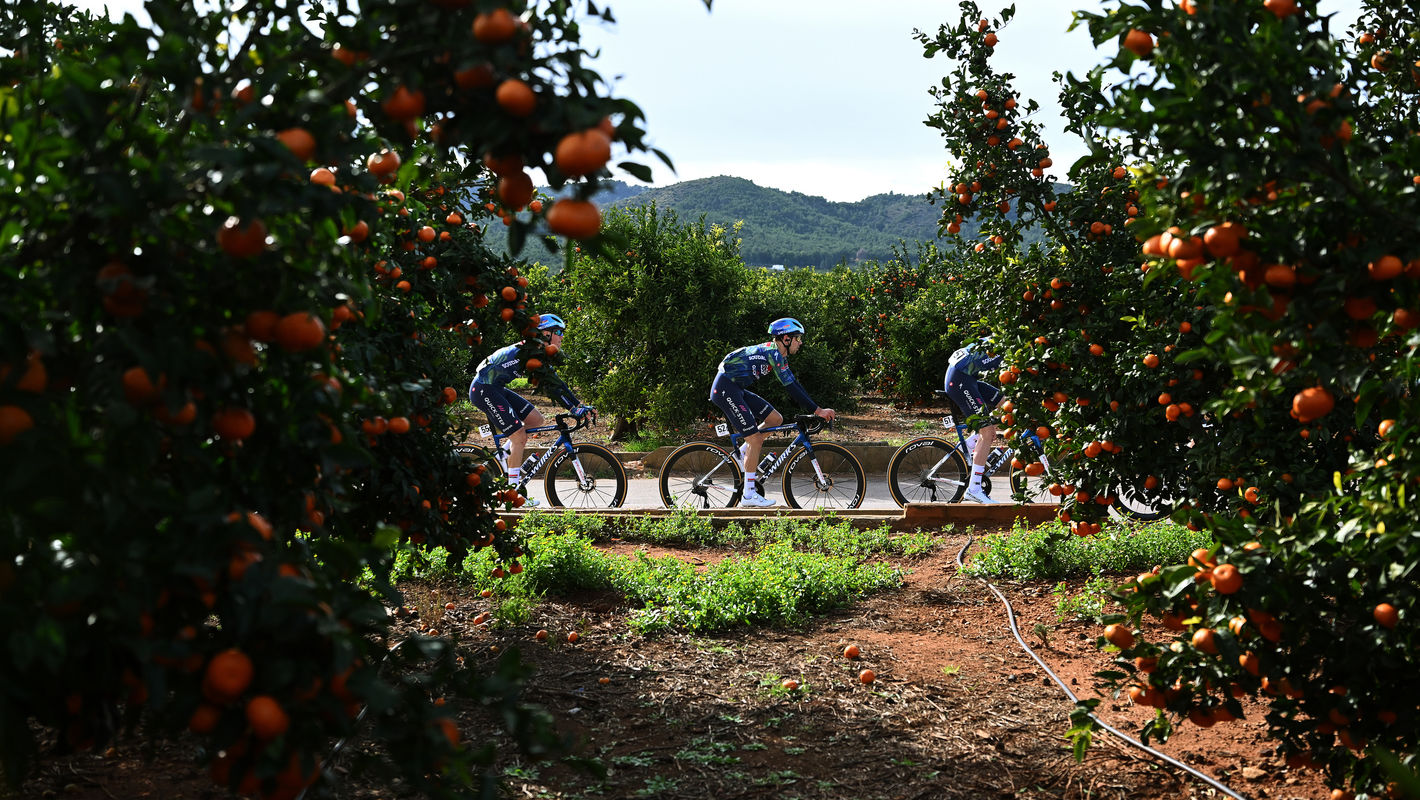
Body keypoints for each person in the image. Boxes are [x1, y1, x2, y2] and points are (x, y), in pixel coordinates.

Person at [710, 318, 836, 508]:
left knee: (775, 419)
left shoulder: (777, 354)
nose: (800, 342)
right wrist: (818, 410)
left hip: (736, 388)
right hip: (726, 388)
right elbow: (792, 388)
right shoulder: (773, 353)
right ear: (786, 338)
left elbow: (794, 383)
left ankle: (742, 452)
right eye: (797, 338)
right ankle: (749, 495)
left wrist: (816, 409)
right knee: (755, 439)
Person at [468, 314, 585, 498]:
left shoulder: (538, 352)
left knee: (536, 419)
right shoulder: (531, 352)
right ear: (546, 334)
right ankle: (513, 493)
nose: (562, 336)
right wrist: (574, 408)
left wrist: (578, 406)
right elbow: (550, 387)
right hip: (483, 389)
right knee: (519, 437)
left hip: (496, 387)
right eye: (559, 332)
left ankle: (504, 455)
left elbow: (557, 384)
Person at [944, 336, 1005, 504]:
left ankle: (973, 441)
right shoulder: (1004, 348)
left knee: (1006, 404)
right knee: (988, 433)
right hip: (959, 382)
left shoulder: (1000, 341)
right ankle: (974, 490)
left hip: (967, 379)